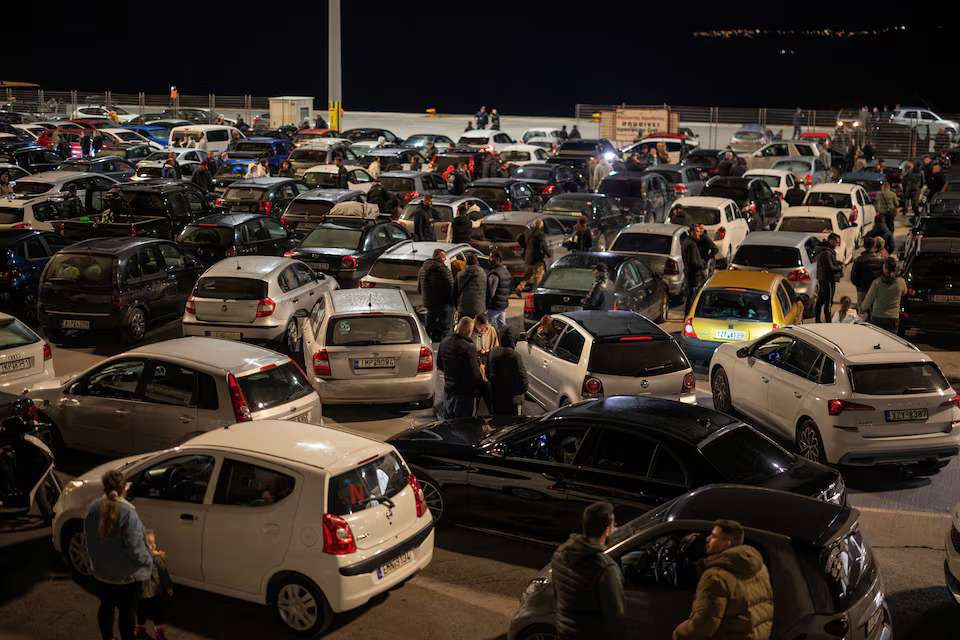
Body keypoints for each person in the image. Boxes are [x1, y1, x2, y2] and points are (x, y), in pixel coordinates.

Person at [673, 520, 774, 640]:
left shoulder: (716, 576)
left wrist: (679, 632)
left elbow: (703, 626)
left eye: (714, 536)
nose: (708, 539)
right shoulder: (759, 567)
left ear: (727, 542)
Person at [84, 470, 152, 640]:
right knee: (127, 612)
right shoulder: (128, 513)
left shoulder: (92, 508)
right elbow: (136, 549)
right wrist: (148, 561)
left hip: (101, 574)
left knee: (106, 607)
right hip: (125, 578)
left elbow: (89, 541)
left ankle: (108, 638)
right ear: (124, 488)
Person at [551, 501, 627, 640]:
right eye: (613, 525)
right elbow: (616, 619)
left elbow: (557, 596)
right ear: (607, 530)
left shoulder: (561, 553)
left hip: (564, 633)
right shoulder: (605, 568)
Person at [437, 316, 484, 418]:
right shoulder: (468, 348)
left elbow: (440, 364)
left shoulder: (444, 342)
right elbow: (475, 374)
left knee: (449, 423)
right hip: (464, 395)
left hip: (449, 391)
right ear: (468, 331)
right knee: (464, 427)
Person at [134, 529, 174, 640]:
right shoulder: (137, 558)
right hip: (141, 592)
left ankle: (159, 630)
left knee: (158, 613)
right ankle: (140, 627)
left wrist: (168, 586)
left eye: (154, 542)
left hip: (156, 592)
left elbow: (164, 574)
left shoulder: (157, 558)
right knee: (141, 611)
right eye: (149, 543)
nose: (153, 545)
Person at [486, 325, 528, 416]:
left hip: (496, 397)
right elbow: (523, 381)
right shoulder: (514, 356)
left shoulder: (492, 352)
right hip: (512, 400)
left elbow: (487, 373)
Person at [861, 257, 906, 334]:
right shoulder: (901, 282)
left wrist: (862, 309)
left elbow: (868, 299)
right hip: (893, 318)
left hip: (878, 318)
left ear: (884, 268)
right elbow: (904, 292)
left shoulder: (877, 283)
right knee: (890, 341)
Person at [418, 248, 455, 341]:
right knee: (446, 330)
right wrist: (453, 302)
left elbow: (419, 288)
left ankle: (427, 347)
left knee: (428, 329)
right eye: (444, 257)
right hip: (444, 305)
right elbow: (452, 289)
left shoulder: (423, 269)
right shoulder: (445, 271)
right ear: (440, 258)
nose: (445, 259)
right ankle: (445, 349)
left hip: (429, 305)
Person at [515, 219, 551, 295]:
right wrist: (548, 254)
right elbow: (544, 247)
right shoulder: (541, 235)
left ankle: (519, 287)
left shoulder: (528, 232)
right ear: (541, 226)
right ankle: (535, 292)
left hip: (528, 257)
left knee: (529, 273)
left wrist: (524, 246)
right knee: (538, 275)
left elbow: (519, 238)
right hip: (537, 258)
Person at [815, 233, 843, 322]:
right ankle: (827, 321)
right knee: (828, 302)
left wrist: (837, 262)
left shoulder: (826, 251)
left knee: (820, 300)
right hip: (827, 280)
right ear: (831, 240)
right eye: (836, 242)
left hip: (823, 279)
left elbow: (829, 263)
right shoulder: (826, 252)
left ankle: (818, 319)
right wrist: (840, 267)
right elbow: (829, 268)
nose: (837, 245)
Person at [850, 240, 884, 310]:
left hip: (862, 289)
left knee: (862, 312)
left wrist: (859, 285)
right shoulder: (881, 259)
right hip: (877, 289)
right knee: (875, 310)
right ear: (874, 246)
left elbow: (854, 277)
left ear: (864, 246)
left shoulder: (859, 260)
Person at [682, 223, 706, 316]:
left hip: (690, 272)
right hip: (694, 274)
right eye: (697, 232)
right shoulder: (691, 244)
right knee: (692, 296)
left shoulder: (687, 242)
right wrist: (701, 265)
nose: (699, 234)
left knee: (691, 295)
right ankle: (689, 315)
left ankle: (687, 315)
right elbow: (692, 261)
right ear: (692, 233)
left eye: (700, 232)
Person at [456, 253, 487, 321]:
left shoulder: (460, 275)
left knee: (464, 327)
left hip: (463, 307)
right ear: (477, 262)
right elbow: (488, 292)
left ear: (466, 262)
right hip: (479, 308)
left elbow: (454, 292)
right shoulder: (483, 275)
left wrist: (456, 306)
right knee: (478, 328)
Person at [486, 250, 512, 329]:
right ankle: (503, 340)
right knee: (502, 326)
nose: (488, 259)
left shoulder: (495, 273)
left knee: (487, 327)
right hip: (502, 305)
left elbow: (491, 291)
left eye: (491, 257)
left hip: (494, 306)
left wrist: (486, 303)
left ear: (497, 259)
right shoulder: (505, 270)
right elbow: (510, 286)